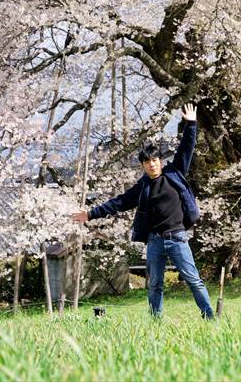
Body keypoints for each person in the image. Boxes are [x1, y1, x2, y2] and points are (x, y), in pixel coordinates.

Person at [71, 103, 214, 319]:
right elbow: (119, 202)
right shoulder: (143, 187)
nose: (152, 165)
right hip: (155, 241)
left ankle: (209, 316)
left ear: (160, 161)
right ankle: (155, 321)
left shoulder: (174, 173)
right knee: (154, 284)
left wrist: (191, 124)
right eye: (147, 162)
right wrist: (90, 214)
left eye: (155, 161)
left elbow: (187, 148)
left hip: (177, 238)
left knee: (193, 279)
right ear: (143, 166)